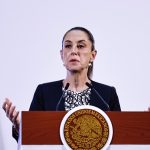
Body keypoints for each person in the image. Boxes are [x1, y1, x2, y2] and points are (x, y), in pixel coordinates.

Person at [2, 27, 121, 142]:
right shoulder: (44, 92)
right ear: (62, 54)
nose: (74, 51)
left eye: (81, 46)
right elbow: (33, 141)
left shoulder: (107, 94)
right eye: (68, 46)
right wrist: (21, 129)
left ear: (92, 56)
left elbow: (120, 138)